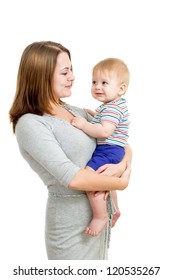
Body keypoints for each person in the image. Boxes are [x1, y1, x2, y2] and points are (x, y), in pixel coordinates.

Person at [9, 41, 132, 260]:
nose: (73, 77)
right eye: (65, 72)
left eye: (72, 70)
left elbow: (120, 142)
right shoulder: (31, 123)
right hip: (71, 231)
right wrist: (121, 182)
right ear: (41, 75)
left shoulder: (75, 111)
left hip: (100, 225)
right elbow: (72, 178)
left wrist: (122, 165)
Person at [72, 58, 130, 237]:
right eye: (94, 82)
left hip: (109, 150)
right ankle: (115, 209)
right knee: (107, 181)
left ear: (121, 88)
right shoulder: (112, 106)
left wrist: (83, 124)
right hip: (114, 150)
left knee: (91, 180)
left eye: (104, 83)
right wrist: (94, 115)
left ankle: (100, 216)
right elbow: (104, 120)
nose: (97, 87)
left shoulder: (112, 109)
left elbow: (104, 131)